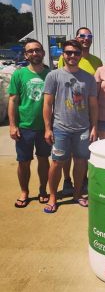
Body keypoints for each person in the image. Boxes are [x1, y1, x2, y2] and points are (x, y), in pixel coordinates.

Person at [43, 40, 98, 213]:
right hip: (61, 128)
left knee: (81, 162)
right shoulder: (54, 75)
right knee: (57, 163)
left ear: (81, 54)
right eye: (68, 52)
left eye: (76, 52)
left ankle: (77, 194)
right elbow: (47, 104)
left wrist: (94, 127)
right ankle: (52, 196)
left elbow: (94, 105)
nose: (72, 56)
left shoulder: (89, 78)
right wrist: (47, 128)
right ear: (63, 55)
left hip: (83, 128)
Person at [8, 39, 51, 208]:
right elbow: (13, 100)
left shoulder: (50, 74)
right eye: (31, 51)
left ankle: (42, 189)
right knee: (24, 161)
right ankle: (24, 191)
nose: (35, 53)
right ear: (26, 55)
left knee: (43, 160)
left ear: (43, 53)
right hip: (24, 127)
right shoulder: (19, 74)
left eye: (37, 50)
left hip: (44, 128)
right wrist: (12, 125)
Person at [58, 27, 102, 191]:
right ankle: (67, 179)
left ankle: (82, 179)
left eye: (89, 36)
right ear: (76, 37)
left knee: (83, 151)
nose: (85, 38)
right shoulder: (66, 58)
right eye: (82, 36)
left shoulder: (97, 61)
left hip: (87, 112)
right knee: (67, 152)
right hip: (68, 111)